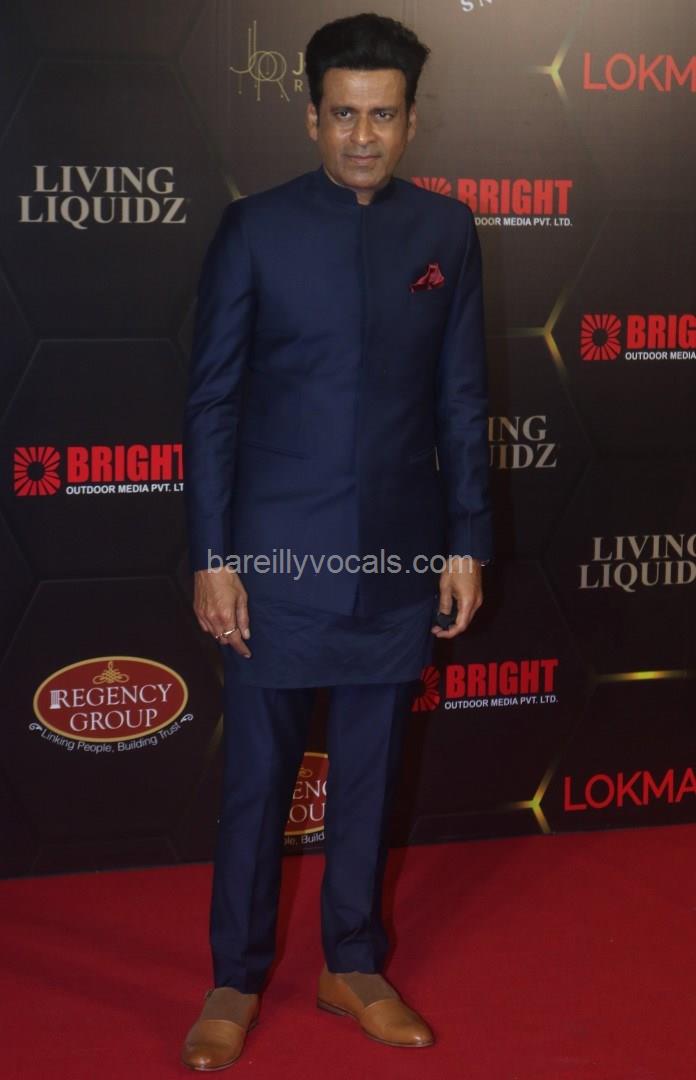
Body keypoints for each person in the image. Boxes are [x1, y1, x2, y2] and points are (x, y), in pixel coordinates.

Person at [180, 12, 492, 1071]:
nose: (364, 136)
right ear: (311, 116)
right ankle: (234, 977)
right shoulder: (255, 230)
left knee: (369, 774)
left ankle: (352, 964)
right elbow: (212, 403)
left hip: (400, 555)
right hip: (274, 558)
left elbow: (462, 400)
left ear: (411, 122)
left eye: (383, 116)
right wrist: (214, 555)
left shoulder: (446, 231)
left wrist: (466, 541)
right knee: (256, 782)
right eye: (345, 115)